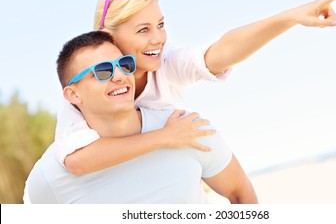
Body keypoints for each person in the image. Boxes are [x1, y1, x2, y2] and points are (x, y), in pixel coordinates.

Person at [56, 0, 336, 175]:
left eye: (160, 24)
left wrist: (290, 17)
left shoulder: (165, 65)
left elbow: (222, 50)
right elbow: (78, 160)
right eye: (143, 30)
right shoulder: (84, 91)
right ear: (108, 36)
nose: (158, 39)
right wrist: (165, 137)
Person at [24, 31, 257, 204]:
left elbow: (241, 194)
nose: (120, 76)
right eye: (103, 71)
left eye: (124, 65)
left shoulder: (187, 129)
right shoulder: (47, 178)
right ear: (73, 94)